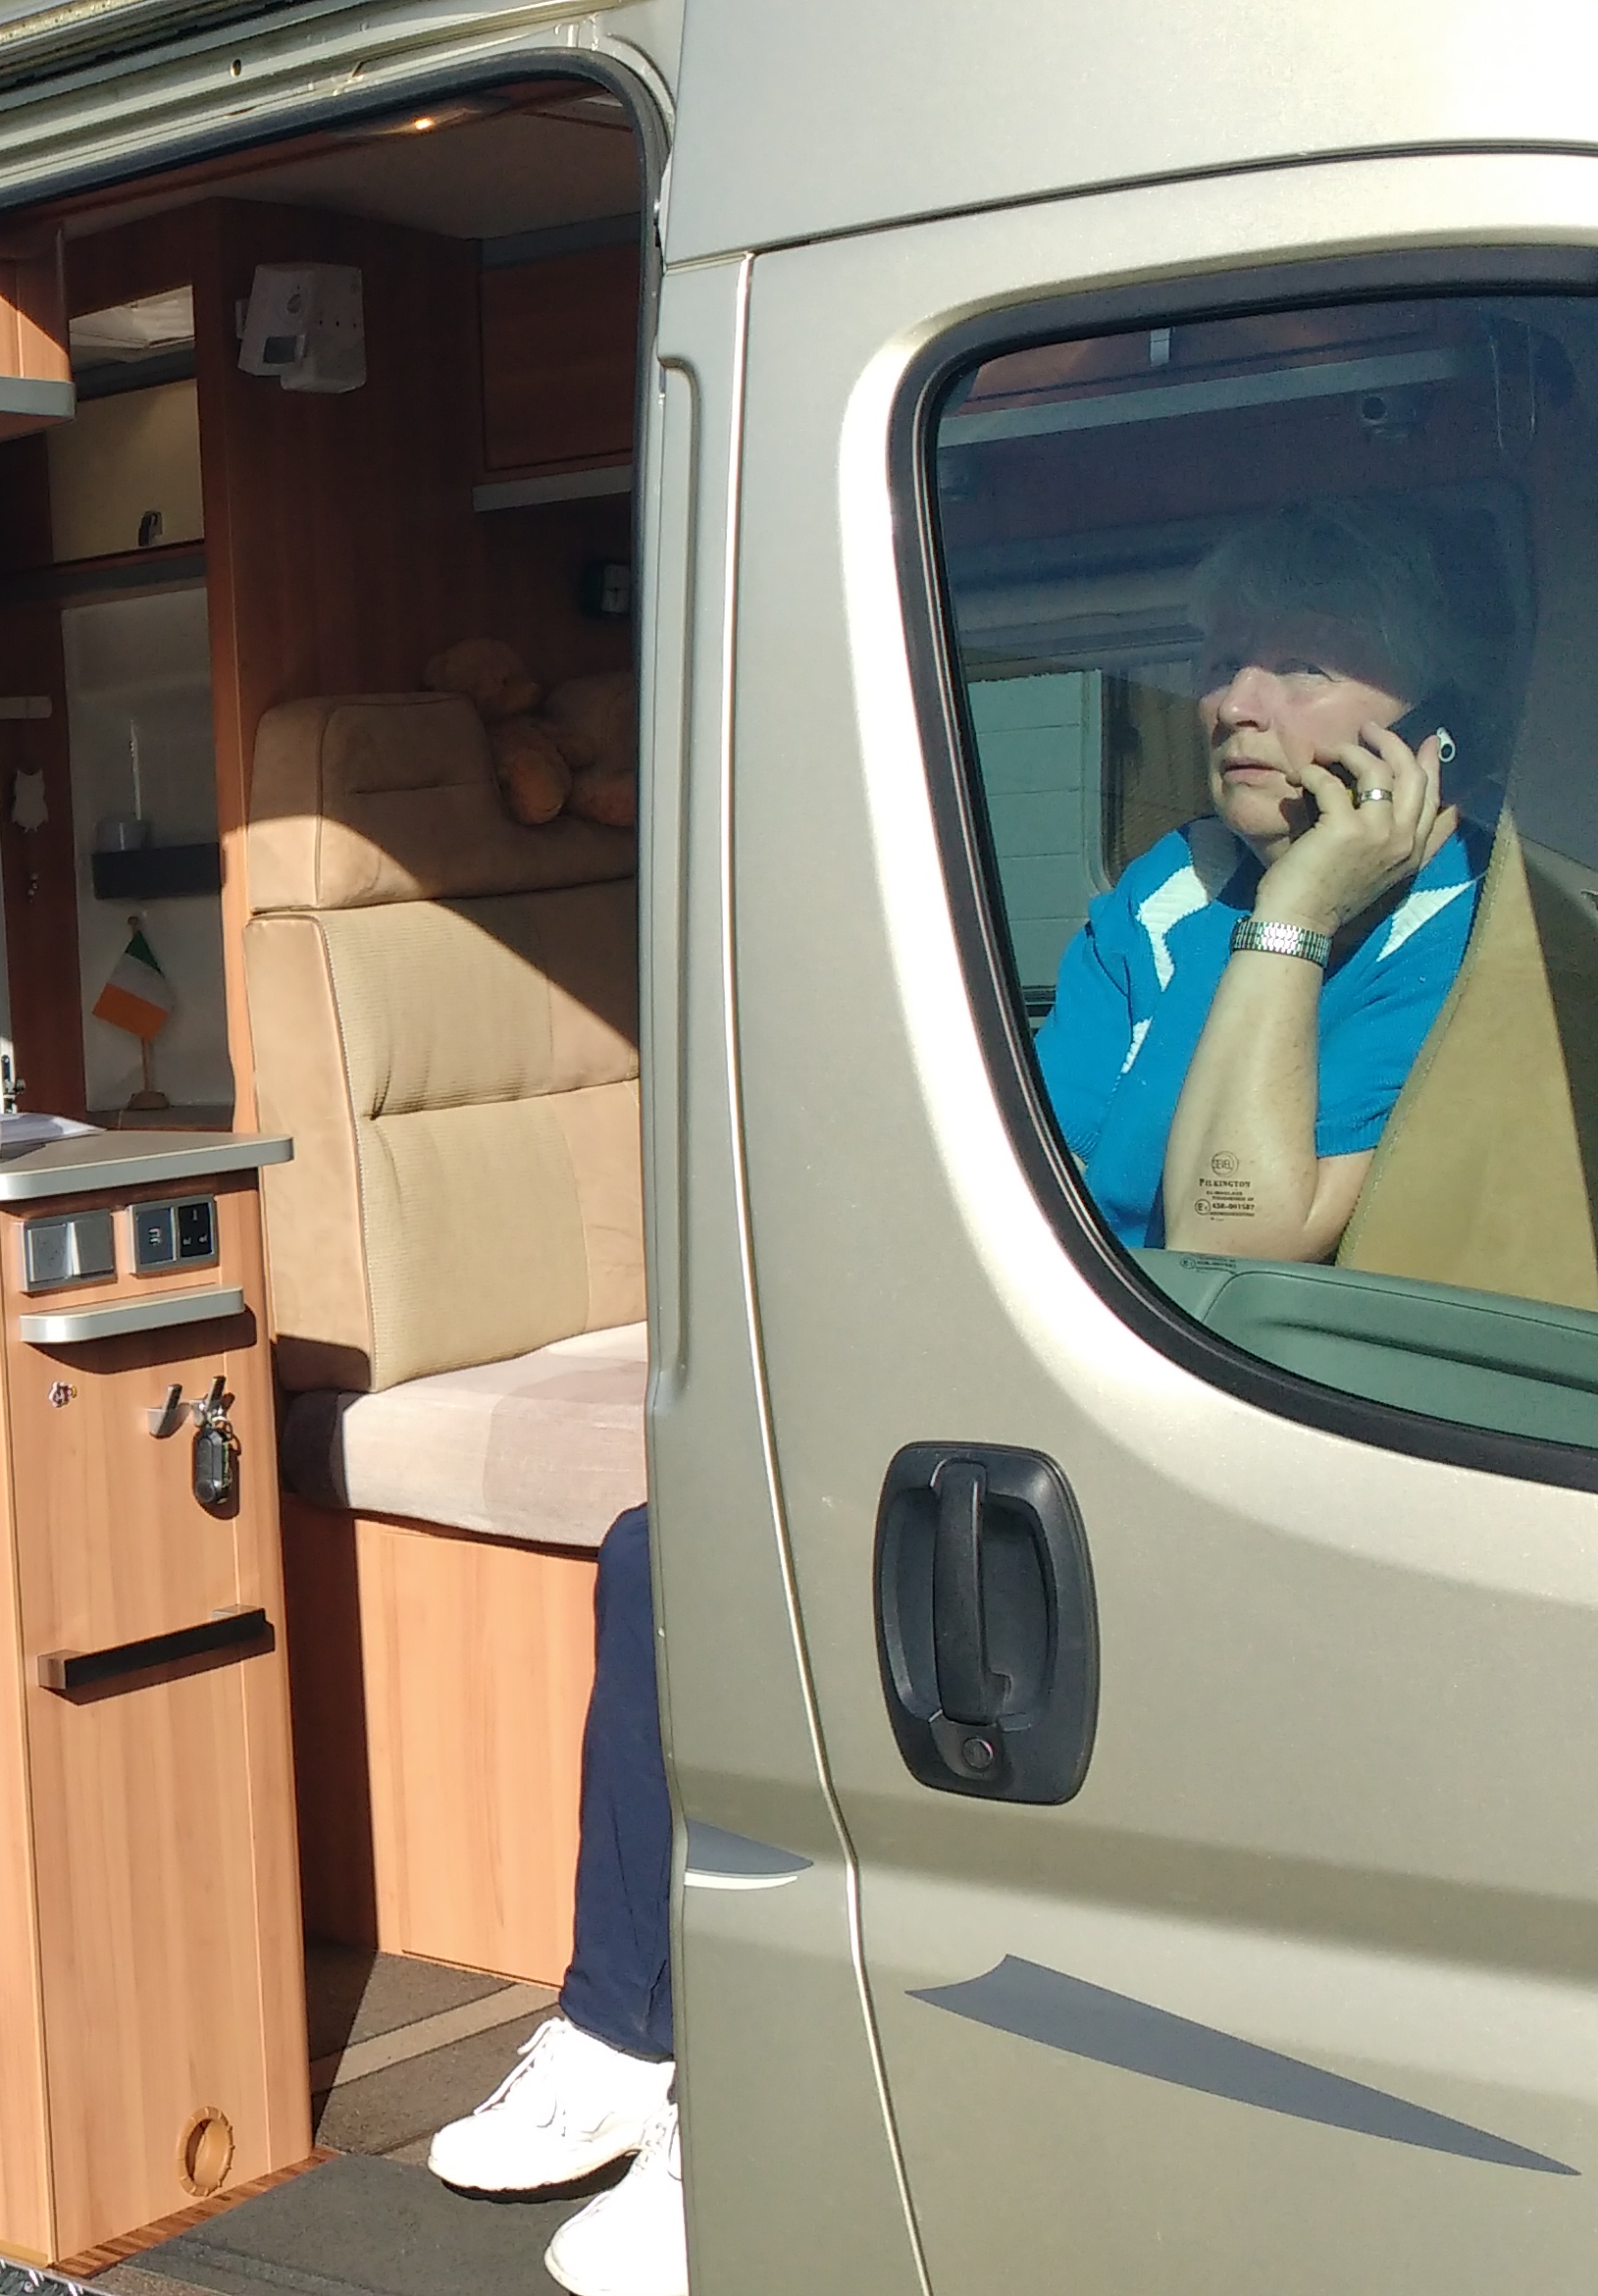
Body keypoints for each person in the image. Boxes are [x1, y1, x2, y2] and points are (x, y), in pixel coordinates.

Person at [424, 497, 1505, 2296]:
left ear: (1431, 727)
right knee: (678, 1546)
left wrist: (1301, 919)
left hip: (1259, 1419)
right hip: (1077, 1361)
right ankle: (626, 2031)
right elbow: (1043, 1167)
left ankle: (759, 2095)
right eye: (1220, 656)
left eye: (1302, 664)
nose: (1235, 699)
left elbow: (1242, 1230)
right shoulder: (1164, 889)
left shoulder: (1454, 932)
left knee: (878, 1593)